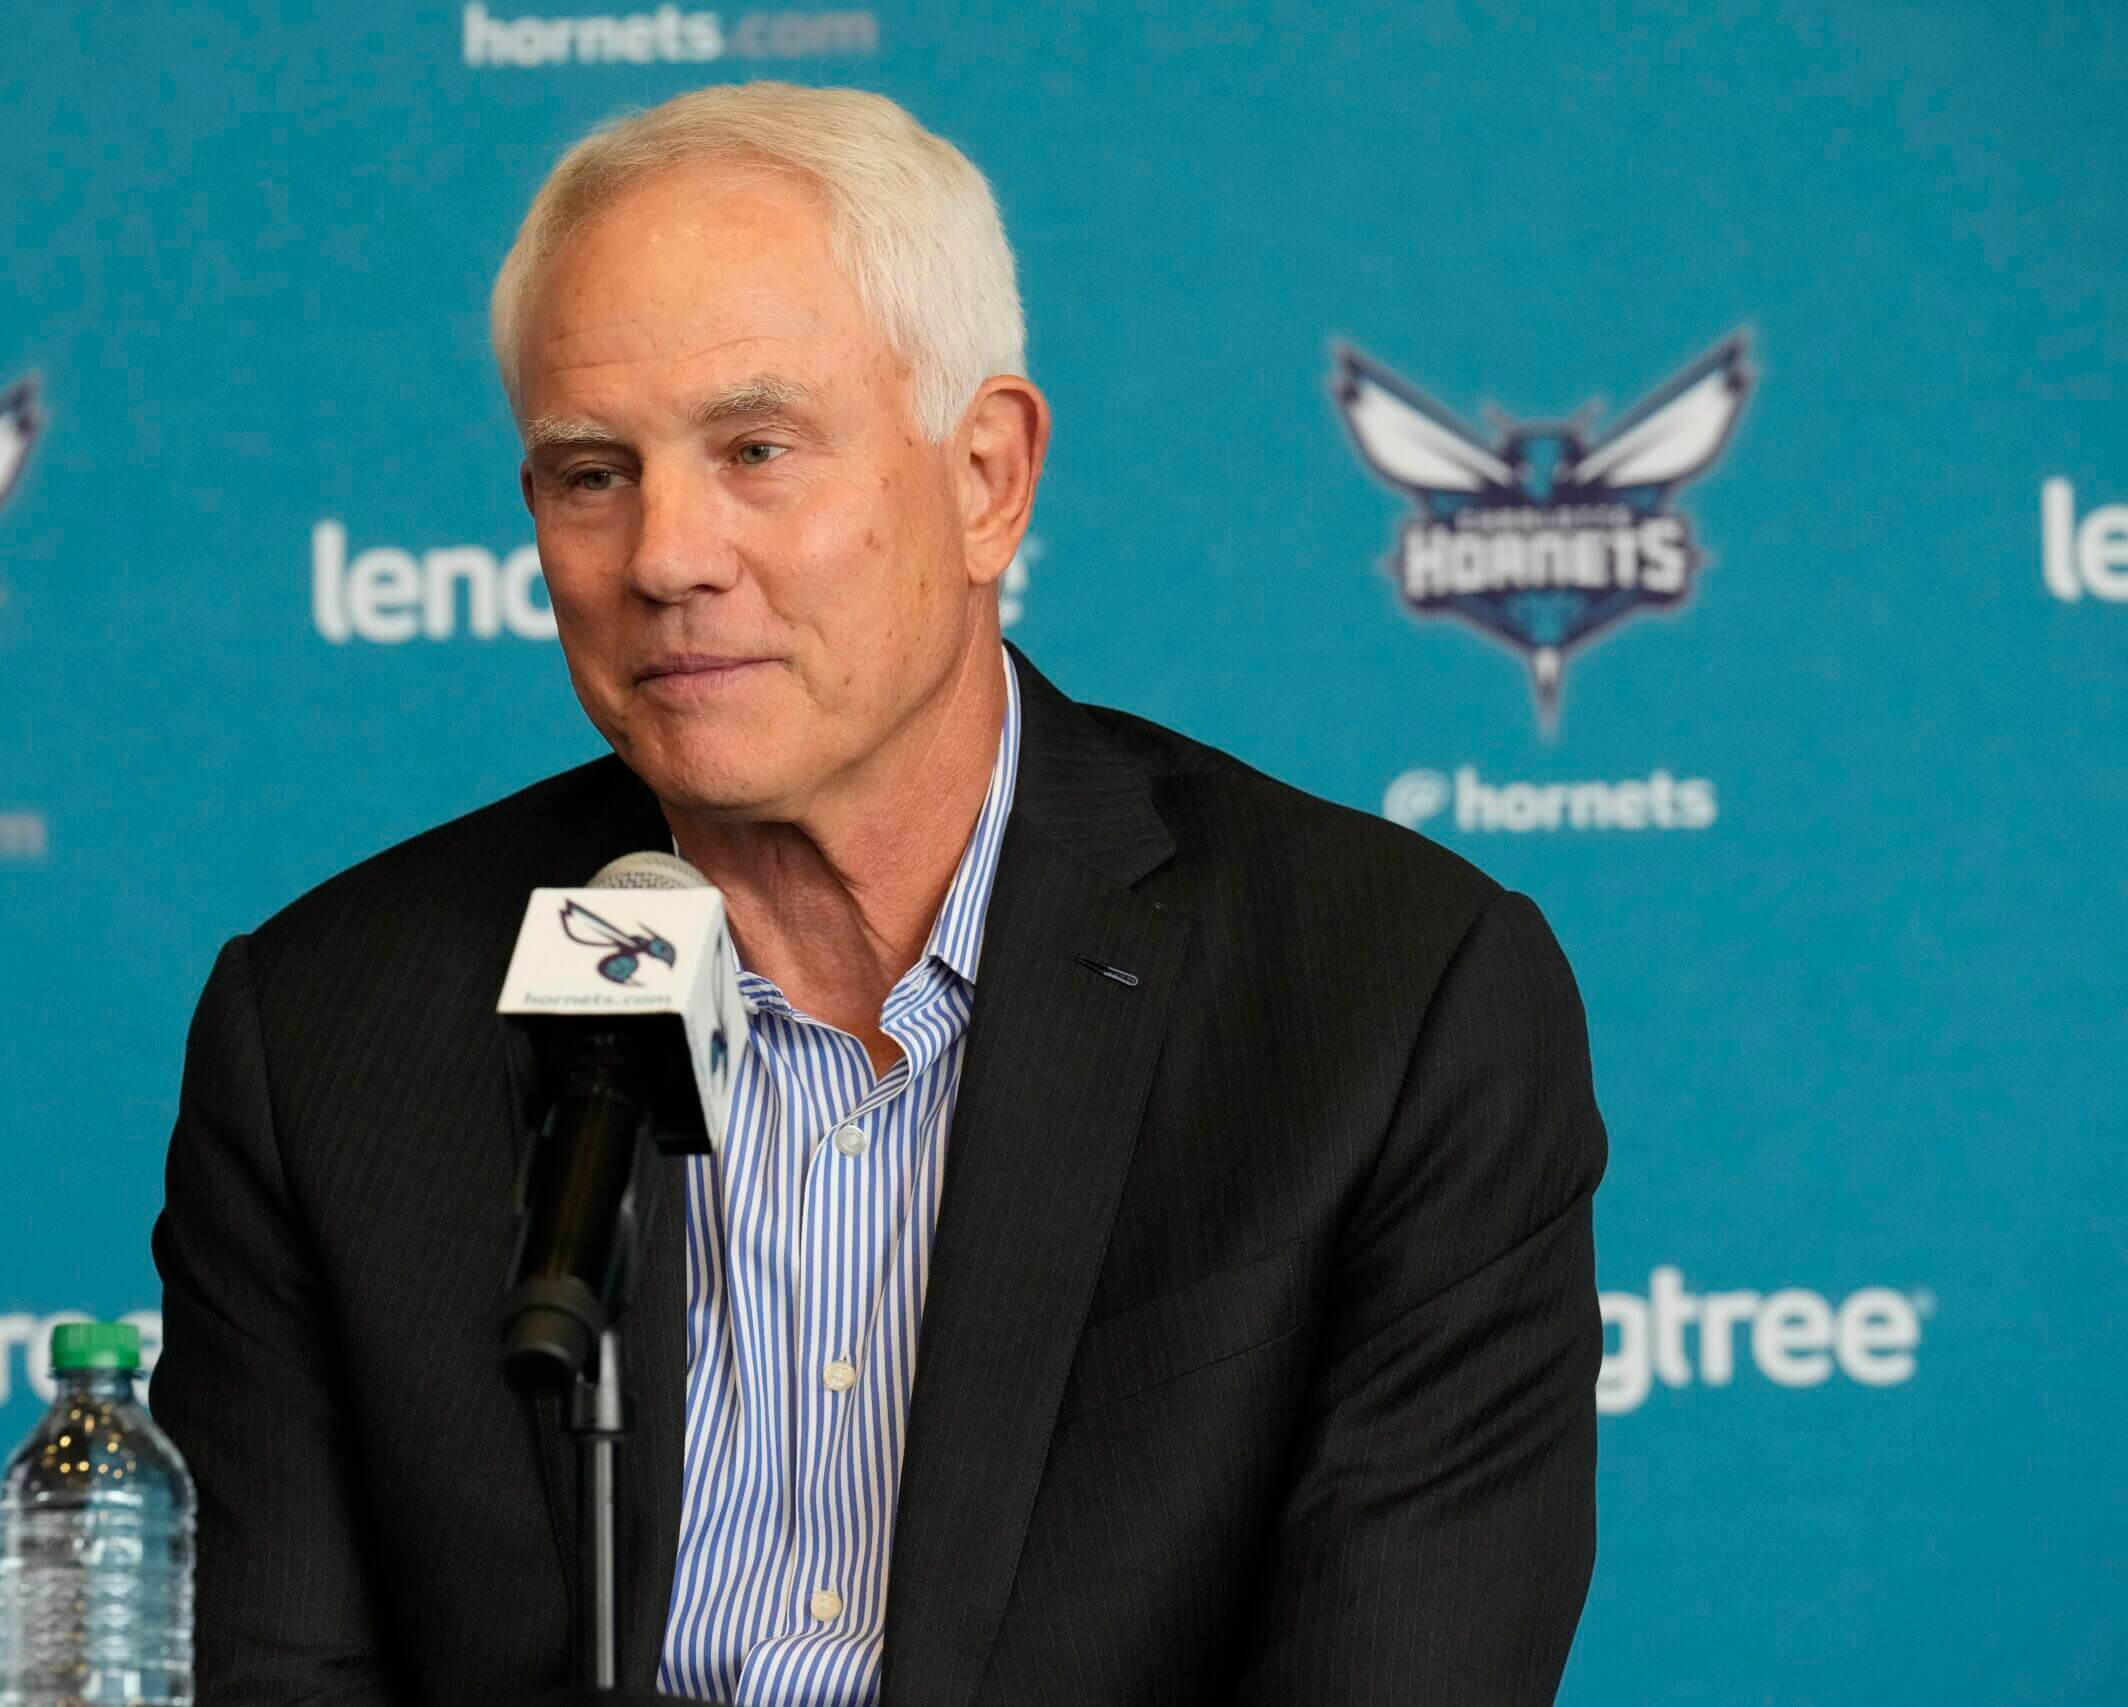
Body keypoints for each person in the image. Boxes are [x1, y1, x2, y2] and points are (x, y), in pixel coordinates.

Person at [150, 81, 1606, 1707]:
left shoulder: (1391, 1000)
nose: (665, 556)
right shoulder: (327, 1032)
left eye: (756, 450)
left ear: (986, 477)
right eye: (592, 474)